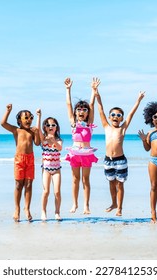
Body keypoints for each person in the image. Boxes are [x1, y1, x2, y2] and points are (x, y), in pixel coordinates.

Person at [95, 85, 145, 216]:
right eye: (113, 115)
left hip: (120, 160)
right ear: (110, 117)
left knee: (120, 184)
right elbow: (100, 110)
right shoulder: (106, 127)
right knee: (111, 183)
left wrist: (138, 100)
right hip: (108, 160)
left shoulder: (122, 129)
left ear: (121, 118)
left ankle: (120, 208)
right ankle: (113, 203)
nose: (115, 117)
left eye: (118, 115)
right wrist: (96, 93)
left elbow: (131, 114)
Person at [64, 77, 99, 214]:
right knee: (75, 179)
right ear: (76, 111)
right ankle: (75, 204)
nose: (82, 111)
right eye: (79, 109)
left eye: (84, 110)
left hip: (86, 153)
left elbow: (91, 104)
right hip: (74, 153)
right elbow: (68, 104)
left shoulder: (89, 123)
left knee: (85, 179)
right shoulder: (73, 122)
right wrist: (68, 89)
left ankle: (86, 205)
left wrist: (93, 90)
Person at [1, 104, 41, 222]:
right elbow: (3, 123)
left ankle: (27, 208)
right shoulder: (16, 130)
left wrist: (37, 130)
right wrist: (8, 111)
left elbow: (38, 143)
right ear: (20, 120)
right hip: (19, 159)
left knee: (29, 184)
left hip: (30, 159)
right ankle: (17, 209)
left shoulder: (33, 131)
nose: (29, 120)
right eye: (26, 118)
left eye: (30, 118)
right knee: (19, 184)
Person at [36, 110, 63, 221]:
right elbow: (37, 130)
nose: (51, 126)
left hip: (56, 169)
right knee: (46, 191)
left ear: (56, 127)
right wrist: (39, 116)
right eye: (48, 125)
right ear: (45, 128)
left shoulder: (59, 140)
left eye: (53, 125)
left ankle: (57, 212)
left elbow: (59, 148)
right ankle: (43, 211)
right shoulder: (43, 140)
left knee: (57, 191)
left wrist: (53, 141)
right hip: (46, 169)